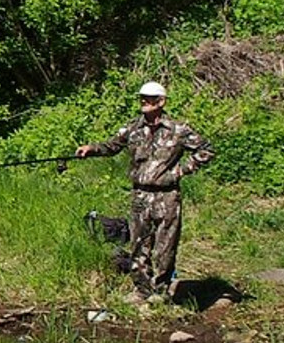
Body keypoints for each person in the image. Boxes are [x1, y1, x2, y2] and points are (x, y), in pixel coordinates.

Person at [76, 82, 213, 303]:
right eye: (142, 97)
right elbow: (112, 146)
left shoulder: (178, 129)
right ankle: (141, 290)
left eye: (149, 98)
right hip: (140, 195)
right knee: (139, 243)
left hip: (167, 196)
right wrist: (91, 149)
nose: (144, 102)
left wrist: (180, 171)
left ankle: (160, 291)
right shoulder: (133, 128)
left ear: (161, 101)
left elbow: (206, 150)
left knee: (165, 245)